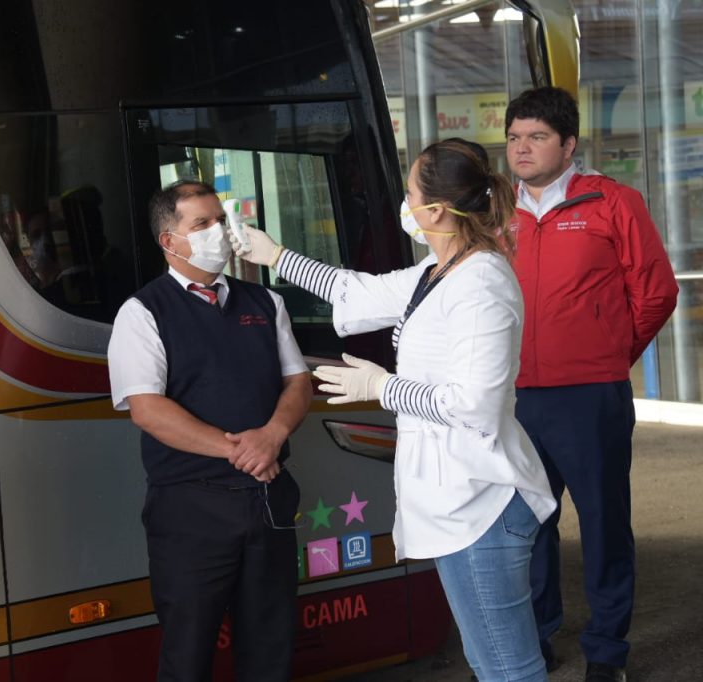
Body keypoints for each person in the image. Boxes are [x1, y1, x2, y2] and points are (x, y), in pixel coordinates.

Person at [233, 140, 557, 681]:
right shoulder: (436, 272)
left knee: (509, 668)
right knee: (489, 662)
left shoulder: (482, 285)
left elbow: (472, 403)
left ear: (434, 211)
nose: (402, 204)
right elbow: (356, 292)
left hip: (484, 504)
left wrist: (383, 387)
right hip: (456, 502)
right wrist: (277, 257)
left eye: (409, 193)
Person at [505, 87, 678, 682]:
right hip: (513, 397)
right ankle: (538, 635)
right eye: (513, 138)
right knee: (526, 524)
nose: (521, 149)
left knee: (603, 522)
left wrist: (607, 356)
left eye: (536, 137)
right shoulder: (495, 211)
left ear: (568, 143)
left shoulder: (611, 202)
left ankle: (606, 651)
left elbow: (657, 292)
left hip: (589, 395)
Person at [107, 180, 312, 682]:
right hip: (190, 508)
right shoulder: (142, 313)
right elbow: (147, 409)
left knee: (270, 647)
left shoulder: (265, 302)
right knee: (189, 651)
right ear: (169, 241)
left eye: (220, 220)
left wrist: (272, 434)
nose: (218, 232)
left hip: (266, 498)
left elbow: (298, 381)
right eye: (201, 225)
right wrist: (238, 449)